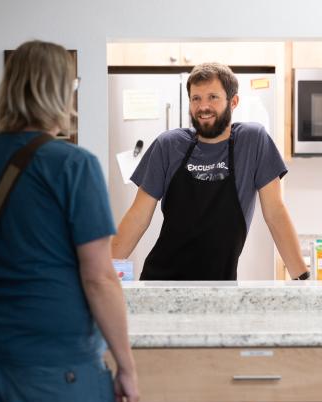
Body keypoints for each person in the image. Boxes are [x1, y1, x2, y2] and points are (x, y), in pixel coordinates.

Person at [0, 40, 139, 402]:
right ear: (59, 91)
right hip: (60, 363)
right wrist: (127, 366)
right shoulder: (74, 164)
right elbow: (99, 278)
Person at [112, 62, 308, 281]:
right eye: (196, 98)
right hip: (160, 284)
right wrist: (101, 274)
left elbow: (275, 214)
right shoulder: (169, 145)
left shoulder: (252, 141)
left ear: (233, 102)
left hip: (221, 288)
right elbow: (138, 217)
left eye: (213, 97)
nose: (203, 106)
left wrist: (302, 280)